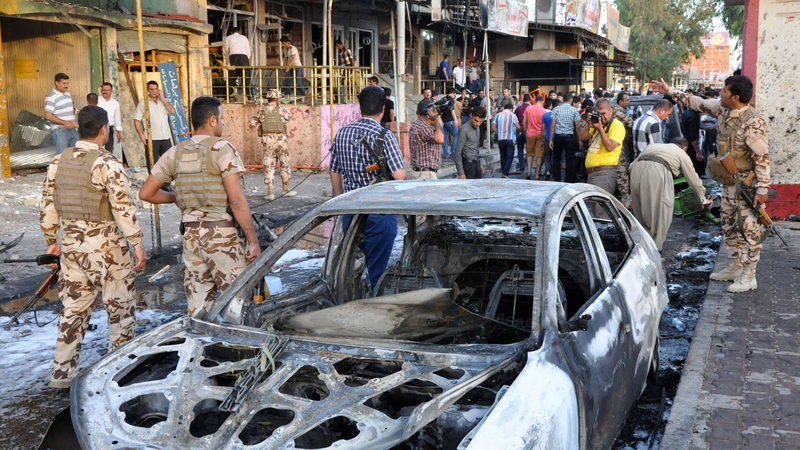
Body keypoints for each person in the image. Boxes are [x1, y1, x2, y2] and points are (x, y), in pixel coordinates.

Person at [40, 105, 147, 388]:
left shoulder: (58, 162)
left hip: (72, 249)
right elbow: (123, 209)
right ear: (103, 130)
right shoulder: (108, 163)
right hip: (107, 250)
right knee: (120, 312)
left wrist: (51, 242)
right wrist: (137, 244)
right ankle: (118, 376)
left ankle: (61, 376)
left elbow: (48, 205)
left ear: (78, 128)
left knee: (72, 313)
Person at [138, 97, 261, 315]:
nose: (223, 123)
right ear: (213, 120)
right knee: (237, 306)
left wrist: (178, 197)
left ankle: (200, 336)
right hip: (222, 237)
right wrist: (253, 241)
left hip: (192, 238)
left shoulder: (175, 152)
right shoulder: (222, 149)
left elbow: (146, 193)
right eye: (222, 118)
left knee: (198, 308)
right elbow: (236, 200)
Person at [651, 76, 769, 293]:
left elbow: (761, 158)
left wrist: (762, 189)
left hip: (746, 186)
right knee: (728, 225)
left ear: (735, 97)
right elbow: (696, 102)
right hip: (728, 183)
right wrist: (670, 90)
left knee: (748, 230)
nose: (720, 94)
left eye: (724, 91)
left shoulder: (753, 122)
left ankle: (749, 275)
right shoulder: (723, 110)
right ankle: (735, 266)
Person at [329, 86, 406, 290]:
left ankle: (352, 298)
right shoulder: (384, 135)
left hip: (351, 210)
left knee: (354, 265)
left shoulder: (342, 133)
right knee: (377, 272)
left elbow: (334, 171)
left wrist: (341, 200)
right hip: (380, 211)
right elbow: (399, 176)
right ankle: (374, 302)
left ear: (360, 107)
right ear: (383, 109)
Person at [629, 138, 712, 250]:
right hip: (658, 170)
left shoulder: (653, 146)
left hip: (636, 170)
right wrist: (702, 199)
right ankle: (656, 250)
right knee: (661, 212)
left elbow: (631, 166)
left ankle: (642, 247)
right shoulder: (681, 153)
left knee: (640, 212)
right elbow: (693, 178)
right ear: (684, 148)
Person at [248, 89, 297, 201]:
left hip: (268, 141)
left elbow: (251, 123)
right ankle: (286, 191)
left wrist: (262, 123)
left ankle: (270, 193)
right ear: (276, 99)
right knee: (285, 165)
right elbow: (287, 119)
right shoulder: (283, 109)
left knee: (269, 167)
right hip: (282, 141)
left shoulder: (262, 110)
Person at [579, 98, 625, 197]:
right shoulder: (597, 123)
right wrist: (589, 124)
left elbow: (610, 147)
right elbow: (582, 137)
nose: (602, 117)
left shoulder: (617, 125)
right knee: (594, 205)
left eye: (604, 113)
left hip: (604, 173)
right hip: (592, 173)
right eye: (599, 114)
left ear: (610, 111)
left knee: (600, 206)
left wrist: (600, 128)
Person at [134, 80, 176, 166]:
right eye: (151, 89)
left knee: (169, 162)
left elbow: (172, 111)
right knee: (152, 164)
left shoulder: (164, 102)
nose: (154, 91)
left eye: (155, 89)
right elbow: (136, 120)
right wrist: (141, 135)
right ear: (148, 90)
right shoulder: (143, 103)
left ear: (158, 89)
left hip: (165, 137)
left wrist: (163, 99)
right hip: (151, 138)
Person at [549, 93, 582, 182]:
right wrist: (579, 140)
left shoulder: (556, 109)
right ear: (571, 100)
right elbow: (578, 126)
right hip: (569, 136)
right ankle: (569, 179)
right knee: (569, 159)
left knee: (556, 158)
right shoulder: (574, 110)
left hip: (558, 136)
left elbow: (553, 125)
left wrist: (551, 139)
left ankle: (557, 178)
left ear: (563, 99)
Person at [409, 99, 445, 180]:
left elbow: (440, 126)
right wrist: (437, 118)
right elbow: (440, 139)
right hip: (426, 174)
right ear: (429, 113)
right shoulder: (424, 127)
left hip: (420, 172)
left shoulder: (416, 124)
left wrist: (437, 118)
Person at [45, 73, 79, 155]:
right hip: (60, 131)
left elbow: (66, 109)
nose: (67, 86)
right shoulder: (51, 97)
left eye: (67, 83)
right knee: (62, 155)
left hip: (73, 130)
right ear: (56, 83)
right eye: (64, 83)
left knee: (76, 154)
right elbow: (48, 116)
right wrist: (65, 123)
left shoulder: (68, 94)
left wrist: (76, 111)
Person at [613, 92, 634, 205]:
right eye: (627, 100)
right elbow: (632, 124)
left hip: (620, 144)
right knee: (621, 171)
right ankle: (625, 198)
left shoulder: (619, 111)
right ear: (620, 102)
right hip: (616, 145)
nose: (629, 102)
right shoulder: (618, 113)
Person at [455, 106, 487, 179]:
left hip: (476, 163)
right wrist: (461, 173)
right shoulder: (464, 130)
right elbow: (457, 152)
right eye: (476, 120)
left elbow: (476, 148)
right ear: (471, 116)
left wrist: (480, 165)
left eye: (480, 121)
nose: (478, 124)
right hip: (468, 165)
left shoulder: (477, 128)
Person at [492, 102, 520, 177]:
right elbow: (518, 127)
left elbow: (493, 127)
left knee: (503, 156)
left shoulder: (498, 115)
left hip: (500, 139)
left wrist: (499, 133)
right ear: (511, 109)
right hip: (510, 138)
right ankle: (505, 173)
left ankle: (503, 172)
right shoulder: (513, 115)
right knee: (509, 156)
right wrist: (518, 132)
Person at [523, 95, 547, 180]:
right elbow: (544, 126)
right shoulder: (544, 111)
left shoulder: (528, 109)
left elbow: (524, 122)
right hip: (540, 134)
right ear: (542, 102)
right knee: (539, 156)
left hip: (530, 134)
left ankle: (529, 172)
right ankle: (537, 175)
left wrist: (526, 131)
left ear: (535, 101)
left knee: (529, 154)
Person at [223, 27, 251, 95]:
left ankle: (229, 94)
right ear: (239, 32)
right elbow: (248, 52)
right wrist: (246, 61)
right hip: (243, 57)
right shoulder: (244, 38)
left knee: (231, 76)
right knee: (246, 77)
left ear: (231, 32)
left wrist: (227, 62)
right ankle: (249, 95)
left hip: (233, 58)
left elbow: (225, 50)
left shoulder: (228, 38)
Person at [98, 82, 123, 158]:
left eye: (107, 90)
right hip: (98, 129)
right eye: (103, 90)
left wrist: (119, 132)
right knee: (98, 151)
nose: (105, 92)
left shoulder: (115, 103)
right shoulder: (97, 101)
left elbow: (117, 118)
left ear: (111, 91)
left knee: (109, 151)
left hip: (109, 130)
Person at [680, 106, 706, 179]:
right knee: (695, 166)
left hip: (687, 141)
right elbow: (692, 137)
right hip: (691, 144)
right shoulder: (693, 117)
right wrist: (697, 151)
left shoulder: (687, 113)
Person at [540, 99, 559, 179]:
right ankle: (555, 171)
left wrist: (542, 139)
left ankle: (547, 171)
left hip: (548, 137)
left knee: (547, 156)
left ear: (551, 106)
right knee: (556, 156)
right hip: (557, 137)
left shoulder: (545, 115)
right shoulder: (560, 115)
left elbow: (543, 129)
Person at [441, 88, 460, 159]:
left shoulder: (443, 99)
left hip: (443, 120)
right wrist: (455, 120)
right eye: (454, 94)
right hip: (450, 120)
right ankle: (453, 153)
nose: (455, 96)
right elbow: (452, 110)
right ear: (452, 93)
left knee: (445, 137)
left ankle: (445, 154)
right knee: (456, 135)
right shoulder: (451, 99)